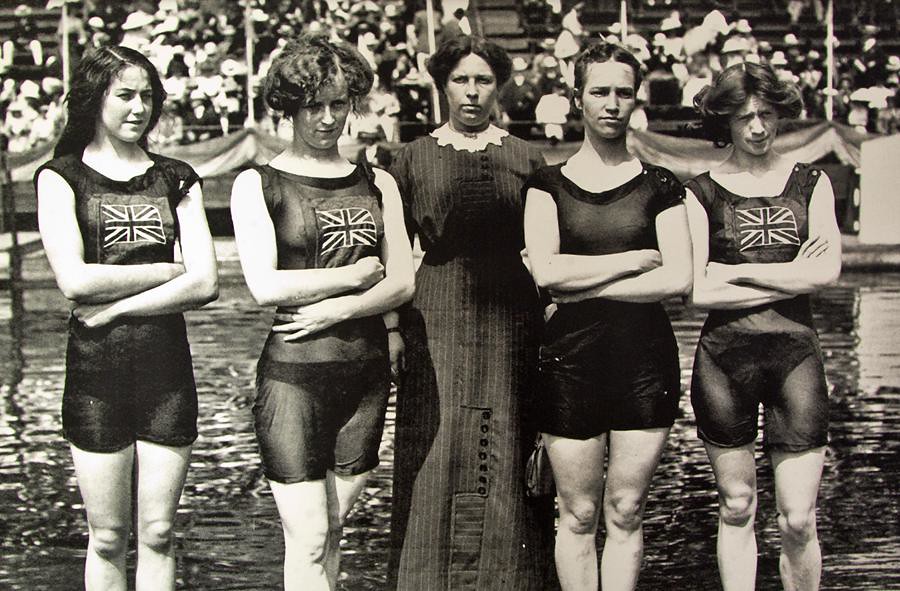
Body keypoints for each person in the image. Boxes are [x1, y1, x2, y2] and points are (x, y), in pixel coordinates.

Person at [229, 33, 414, 591]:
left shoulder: (378, 181)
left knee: (332, 531)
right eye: (314, 105)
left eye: (339, 104)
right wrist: (353, 277)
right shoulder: (257, 184)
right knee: (309, 538)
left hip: (365, 375)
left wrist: (336, 310)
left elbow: (403, 281)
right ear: (288, 107)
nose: (329, 118)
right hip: (295, 377)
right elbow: (265, 285)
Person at [33, 45, 218, 590]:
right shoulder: (60, 177)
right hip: (96, 377)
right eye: (126, 95)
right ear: (95, 99)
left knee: (158, 532)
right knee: (109, 536)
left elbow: (206, 283)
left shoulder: (176, 177)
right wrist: (168, 269)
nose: (140, 107)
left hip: (167, 375)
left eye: (148, 96)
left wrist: (116, 305)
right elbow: (74, 281)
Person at [523, 41, 692, 591]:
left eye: (623, 92)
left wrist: (583, 287)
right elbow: (546, 273)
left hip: (644, 365)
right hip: (569, 364)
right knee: (577, 513)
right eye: (599, 91)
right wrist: (632, 261)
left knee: (626, 509)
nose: (612, 103)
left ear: (636, 98)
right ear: (577, 99)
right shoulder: (546, 184)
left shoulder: (661, 185)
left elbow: (678, 279)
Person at [388, 35, 556, 590]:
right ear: (443, 84)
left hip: (511, 317)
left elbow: (546, 248)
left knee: (506, 438)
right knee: (438, 444)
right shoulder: (411, 158)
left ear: (498, 87)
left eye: (483, 80)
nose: (472, 91)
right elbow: (393, 254)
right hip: (434, 315)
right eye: (460, 79)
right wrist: (391, 327)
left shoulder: (527, 158)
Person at [685, 62, 841, 591]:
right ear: (725, 121)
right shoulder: (700, 191)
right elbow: (698, 291)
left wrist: (737, 271)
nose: (757, 127)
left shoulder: (811, 182)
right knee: (737, 506)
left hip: (795, 357)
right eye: (745, 117)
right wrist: (793, 276)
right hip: (724, 362)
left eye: (767, 115)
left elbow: (826, 273)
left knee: (798, 518)